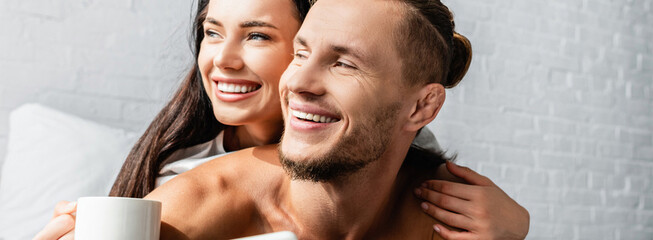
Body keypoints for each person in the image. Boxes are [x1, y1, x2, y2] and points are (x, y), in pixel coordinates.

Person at [33, 0, 529, 239]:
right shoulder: (198, 192)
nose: (299, 82)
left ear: (421, 109)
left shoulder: (444, 206)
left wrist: (517, 227)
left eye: (344, 62)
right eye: (303, 53)